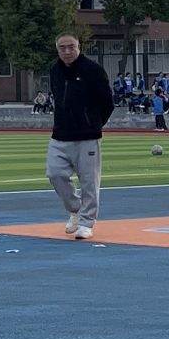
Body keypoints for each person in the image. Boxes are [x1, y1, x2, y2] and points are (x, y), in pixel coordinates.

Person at [44, 33, 115, 239]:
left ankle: (86, 222)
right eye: (62, 48)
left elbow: (107, 103)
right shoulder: (55, 70)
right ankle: (75, 210)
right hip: (60, 135)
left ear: (79, 47)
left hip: (87, 136)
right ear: (57, 49)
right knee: (55, 174)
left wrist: (93, 124)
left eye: (71, 47)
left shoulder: (93, 70)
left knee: (89, 182)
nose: (67, 51)